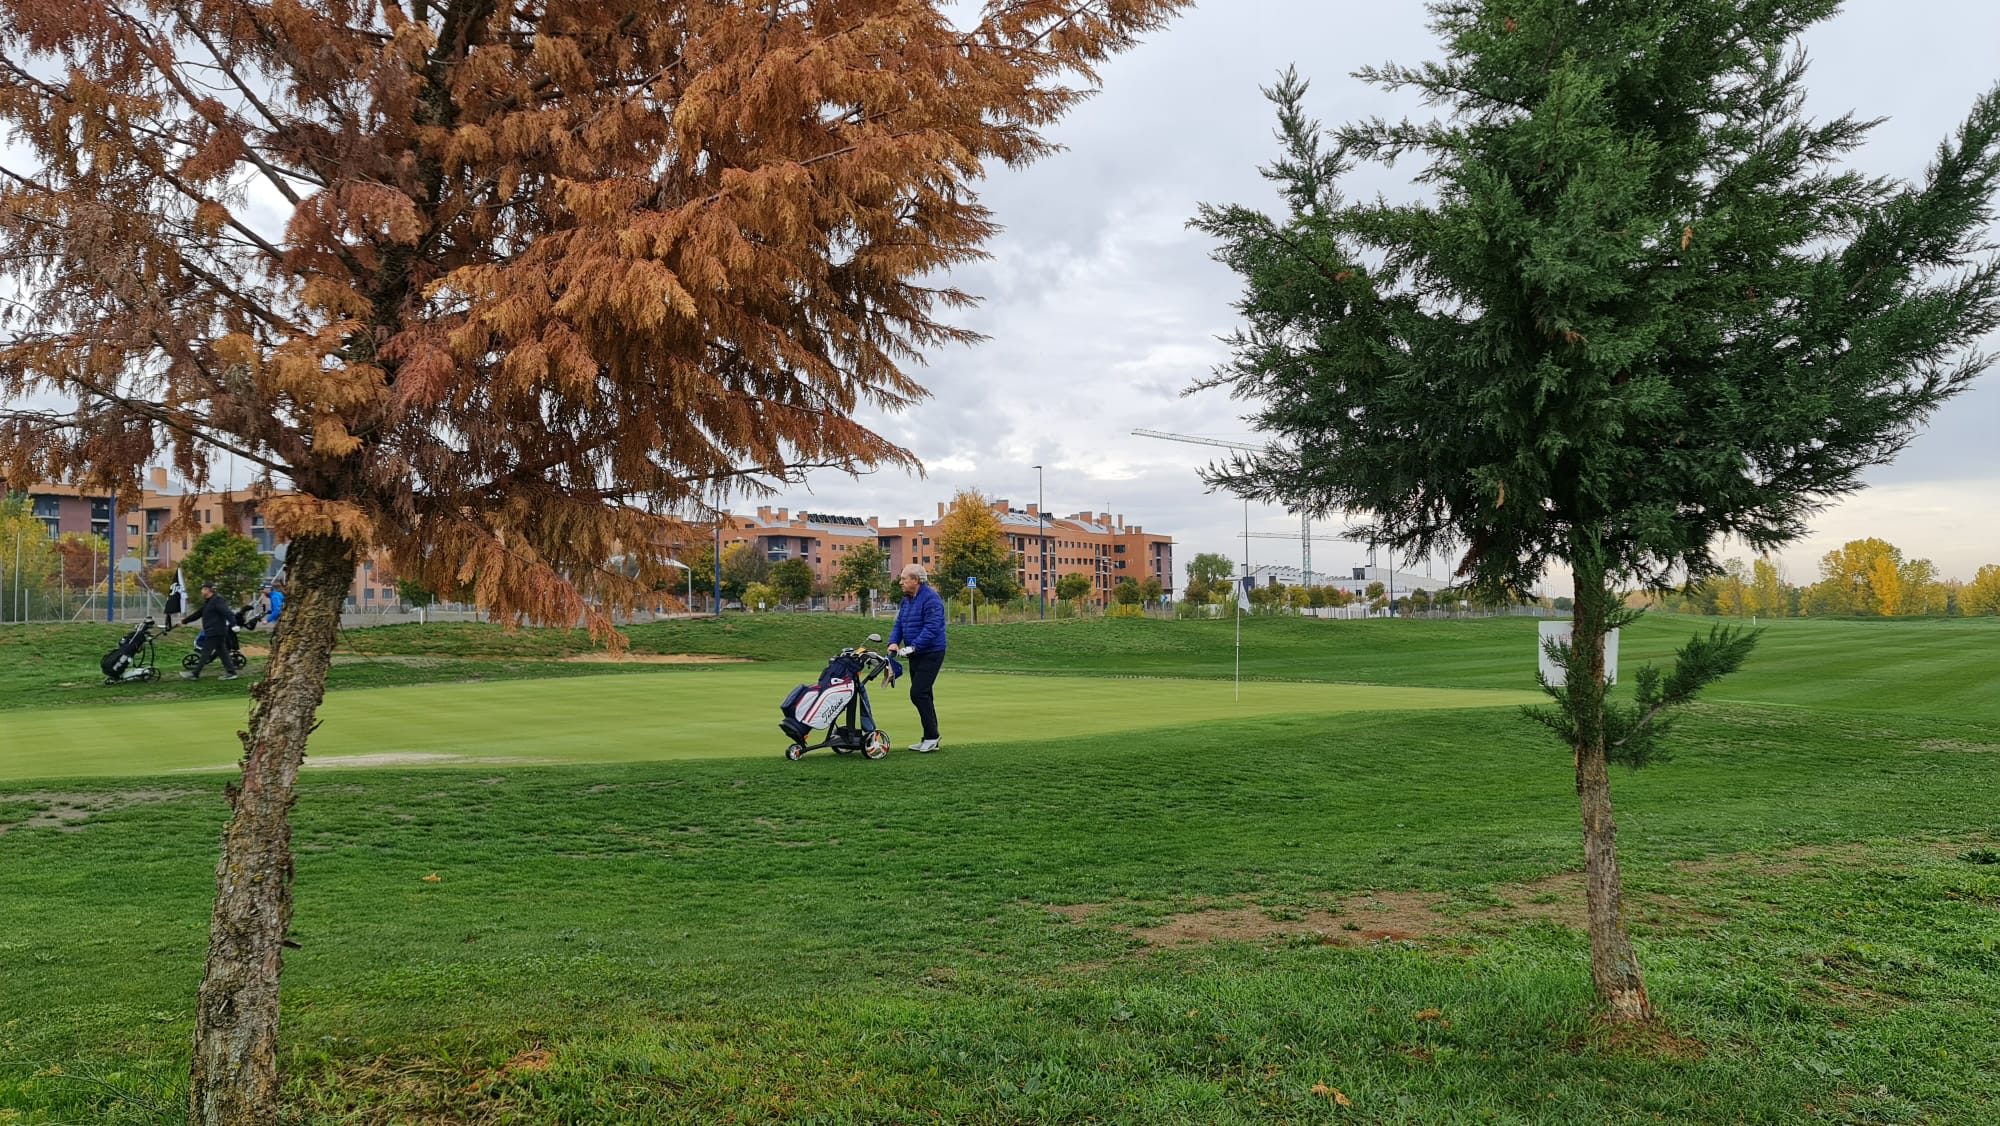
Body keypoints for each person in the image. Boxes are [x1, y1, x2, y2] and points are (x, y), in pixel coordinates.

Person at [885, 563, 946, 752]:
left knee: (918, 693)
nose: (901, 583)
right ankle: (930, 737)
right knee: (925, 694)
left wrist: (914, 646)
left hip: (931, 652)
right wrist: (894, 642)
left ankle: (932, 736)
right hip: (916, 653)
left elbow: (932, 628)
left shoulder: (931, 599)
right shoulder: (907, 600)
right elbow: (899, 625)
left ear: (915, 580)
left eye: (904, 579)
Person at [179, 582, 239, 680]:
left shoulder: (217, 601)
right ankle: (231, 672)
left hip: (215, 631)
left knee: (205, 652)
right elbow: (198, 614)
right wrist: (184, 621)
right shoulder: (209, 602)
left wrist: (234, 624)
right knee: (222, 652)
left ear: (208, 590)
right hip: (215, 631)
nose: (201, 592)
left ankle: (195, 674)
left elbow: (227, 612)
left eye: (203, 589)